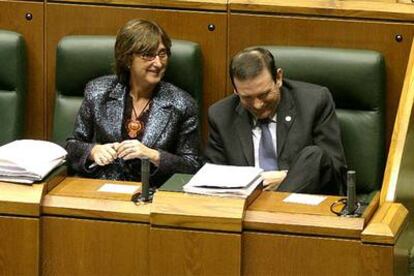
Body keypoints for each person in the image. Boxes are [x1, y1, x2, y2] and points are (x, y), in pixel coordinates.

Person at [66, 19, 202, 187]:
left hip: (152, 195)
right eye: (148, 55)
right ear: (128, 59)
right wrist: (93, 151)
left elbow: (192, 165)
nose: (158, 63)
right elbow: (72, 147)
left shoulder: (182, 104)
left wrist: (152, 155)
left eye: (162, 54)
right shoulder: (98, 91)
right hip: (100, 191)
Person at [205, 47, 346, 194]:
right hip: (244, 205)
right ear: (235, 90)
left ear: (278, 78)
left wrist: (287, 178)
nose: (257, 104)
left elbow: (335, 170)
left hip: (304, 202)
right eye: (247, 97)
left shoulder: (313, 102)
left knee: (314, 155)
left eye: (264, 94)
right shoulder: (221, 115)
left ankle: (275, 210)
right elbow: (214, 178)